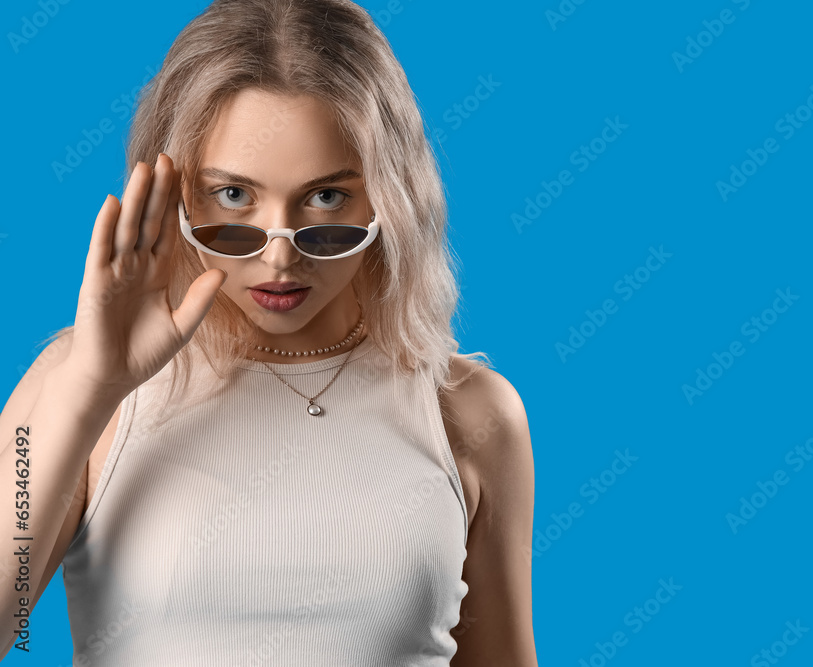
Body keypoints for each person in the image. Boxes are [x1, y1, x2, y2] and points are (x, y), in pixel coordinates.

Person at [0, 0, 537, 664]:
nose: (280, 255)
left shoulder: (471, 413)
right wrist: (89, 390)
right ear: (176, 190)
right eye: (233, 196)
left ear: (390, 197)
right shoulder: (71, 384)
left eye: (327, 198)